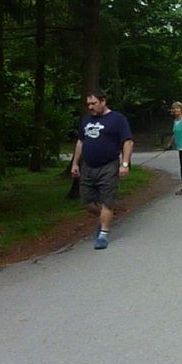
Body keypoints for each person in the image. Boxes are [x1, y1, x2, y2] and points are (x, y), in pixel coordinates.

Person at [70, 90, 134, 250]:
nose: (90, 107)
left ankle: (103, 234)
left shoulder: (117, 119)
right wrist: (75, 163)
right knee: (86, 201)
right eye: (88, 104)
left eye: (94, 103)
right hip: (88, 167)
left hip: (108, 166)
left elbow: (127, 141)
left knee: (107, 200)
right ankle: (104, 216)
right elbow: (80, 141)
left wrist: (125, 164)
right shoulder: (86, 120)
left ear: (103, 101)